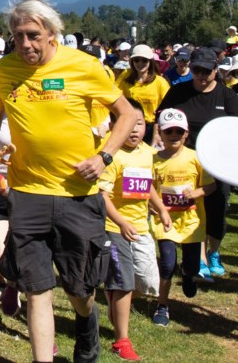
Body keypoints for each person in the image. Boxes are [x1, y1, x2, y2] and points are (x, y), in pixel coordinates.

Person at [0, 0, 136, 363]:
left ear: (51, 33)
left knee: (79, 288)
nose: (24, 43)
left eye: (32, 34)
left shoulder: (86, 67)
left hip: (78, 194)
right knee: (36, 288)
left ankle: (86, 320)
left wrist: (103, 157)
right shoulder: (6, 70)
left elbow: (127, 114)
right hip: (27, 194)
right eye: (17, 36)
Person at [97, 98, 170, 360]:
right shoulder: (110, 155)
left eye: (140, 124)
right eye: (130, 124)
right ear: (117, 126)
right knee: (125, 283)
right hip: (114, 227)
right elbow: (101, 196)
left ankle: (113, 296)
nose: (135, 130)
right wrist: (120, 222)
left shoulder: (146, 154)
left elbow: (147, 184)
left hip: (141, 227)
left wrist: (160, 209)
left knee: (149, 283)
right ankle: (121, 341)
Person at [157, 47, 238, 279]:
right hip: (184, 160)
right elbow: (160, 118)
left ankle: (214, 252)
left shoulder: (227, 96)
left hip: (218, 163)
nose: (201, 76)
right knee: (193, 209)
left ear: (216, 70)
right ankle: (199, 258)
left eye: (206, 71)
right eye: (196, 70)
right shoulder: (179, 92)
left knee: (217, 209)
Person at [151, 108, 216, 327]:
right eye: (169, 132)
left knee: (191, 265)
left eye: (179, 131)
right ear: (160, 133)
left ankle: (189, 276)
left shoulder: (195, 158)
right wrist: (154, 206)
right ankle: (162, 306)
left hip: (191, 222)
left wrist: (195, 193)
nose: (174, 136)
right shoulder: (153, 161)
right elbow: (148, 189)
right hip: (166, 221)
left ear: (186, 133)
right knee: (168, 264)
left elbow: (211, 185)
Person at [118, 44, 170, 145]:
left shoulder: (160, 82)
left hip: (152, 128)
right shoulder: (124, 79)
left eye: (144, 60)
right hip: (130, 125)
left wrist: (158, 132)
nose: (140, 63)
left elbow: (167, 107)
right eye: (136, 60)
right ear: (132, 62)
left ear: (150, 62)